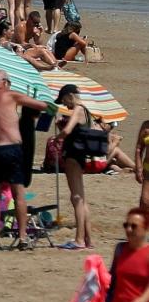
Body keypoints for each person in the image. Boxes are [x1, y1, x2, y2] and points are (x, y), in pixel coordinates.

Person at [0, 69, 51, 250]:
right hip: (9, 148)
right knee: (18, 193)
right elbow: (42, 106)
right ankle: (23, 237)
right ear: (5, 81)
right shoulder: (11, 95)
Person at [54, 84, 95, 251]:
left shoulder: (78, 109)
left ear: (69, 95)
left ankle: (79, 239)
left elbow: (68, 130)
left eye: (64, 100)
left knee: (76, 197)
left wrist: (57, 137)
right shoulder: (86, 111)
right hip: (81, 156)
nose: (64, 105)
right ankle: (88, 239)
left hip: (72, 156)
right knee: (81, 198)